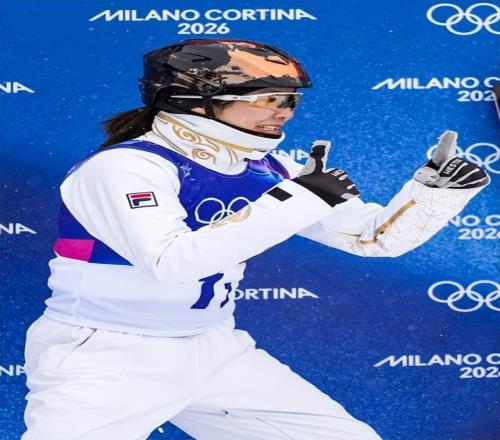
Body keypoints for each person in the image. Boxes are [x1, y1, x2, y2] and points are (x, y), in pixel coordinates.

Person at [22, 38, 489, 440]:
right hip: (109, 355)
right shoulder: (125, 168)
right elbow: (172, 262)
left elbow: (372, 239)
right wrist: (297, 198)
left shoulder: (267, 167)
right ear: (192, 101)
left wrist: (434, 194)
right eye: (268, 99)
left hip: (214, 347)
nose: (283, 112)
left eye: (290, 100)